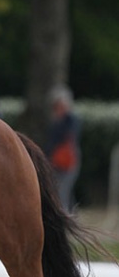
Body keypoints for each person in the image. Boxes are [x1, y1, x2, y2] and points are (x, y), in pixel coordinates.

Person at [45, 84, 81, 212]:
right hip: (55, 161)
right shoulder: (55, 122)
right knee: (66, 193)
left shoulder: (71, 120)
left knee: (62, 192)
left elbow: (68, 139)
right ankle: (73, 217)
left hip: (67, 161)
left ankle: (65, 218)